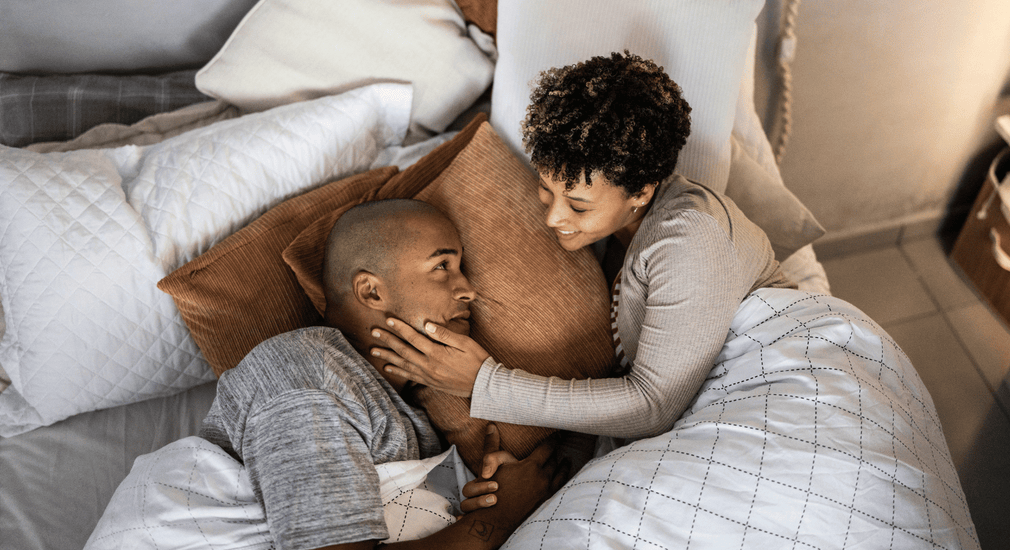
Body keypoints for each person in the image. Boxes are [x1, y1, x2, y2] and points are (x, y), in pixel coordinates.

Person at [90, 199, 570, 550]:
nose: (468, 290)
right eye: (443, 267)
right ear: (371, 291)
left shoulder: (404, 412)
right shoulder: (309, 376)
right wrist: (496, 522)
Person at [371, 51, 795, 443]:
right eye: (545, 188)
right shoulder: (615, 232)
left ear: (641, 192)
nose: (554, 218)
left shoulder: (688, 238)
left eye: (577, 205)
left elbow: (654, 407)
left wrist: (484, 383)